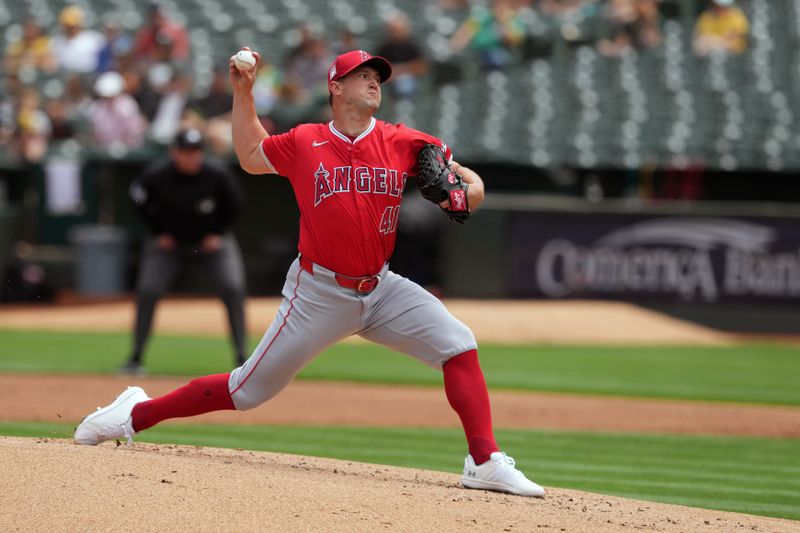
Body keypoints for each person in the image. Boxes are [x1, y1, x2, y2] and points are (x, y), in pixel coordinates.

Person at [75, 49, 544, 498]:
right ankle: (133, 415)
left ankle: (484, 462)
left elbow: (458, 196)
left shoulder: (404, 141)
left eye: (378, 76)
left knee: (458, 345)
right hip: (319, 292)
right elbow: (251, 154)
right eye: (363, 75)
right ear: (335, 88)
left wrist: (473, 189)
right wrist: (244, 93)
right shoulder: (305, 141)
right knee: (246, 390)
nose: (373, 81)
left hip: (382, 288)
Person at [120, 128, 248, 374]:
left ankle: (243, 358)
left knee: (233, 288)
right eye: (186, 152)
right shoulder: (156, 175)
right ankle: (135, 358)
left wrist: (218, 233)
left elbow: (235, 205)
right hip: (169, 244)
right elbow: (136, 201)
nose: (191, 157)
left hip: (211, 242)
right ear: (174, 152)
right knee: (148, 291)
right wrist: (158, 233)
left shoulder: (217, 174)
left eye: (196, 151)